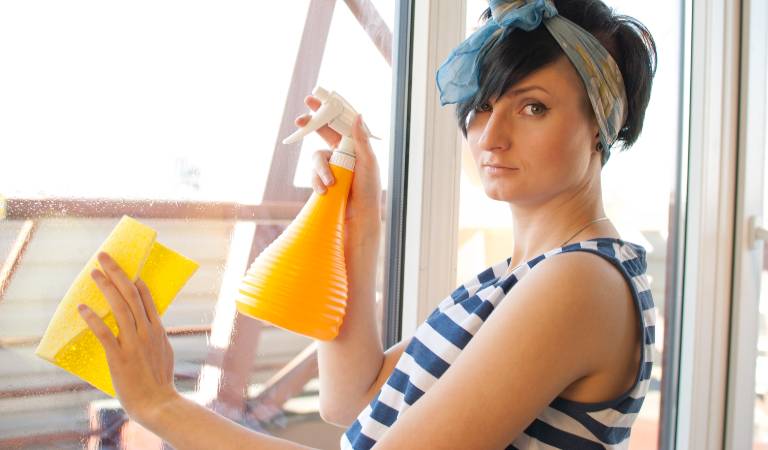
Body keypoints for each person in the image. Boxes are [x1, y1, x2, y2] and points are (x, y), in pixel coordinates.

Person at [78, 0, 658, 448]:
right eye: (482, 105)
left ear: (602, 125)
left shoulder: (579, 282)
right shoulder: (514, 278)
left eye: (533, 107)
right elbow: (351, 398)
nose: (491, 135)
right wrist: (356, 222)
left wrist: (161, 407)